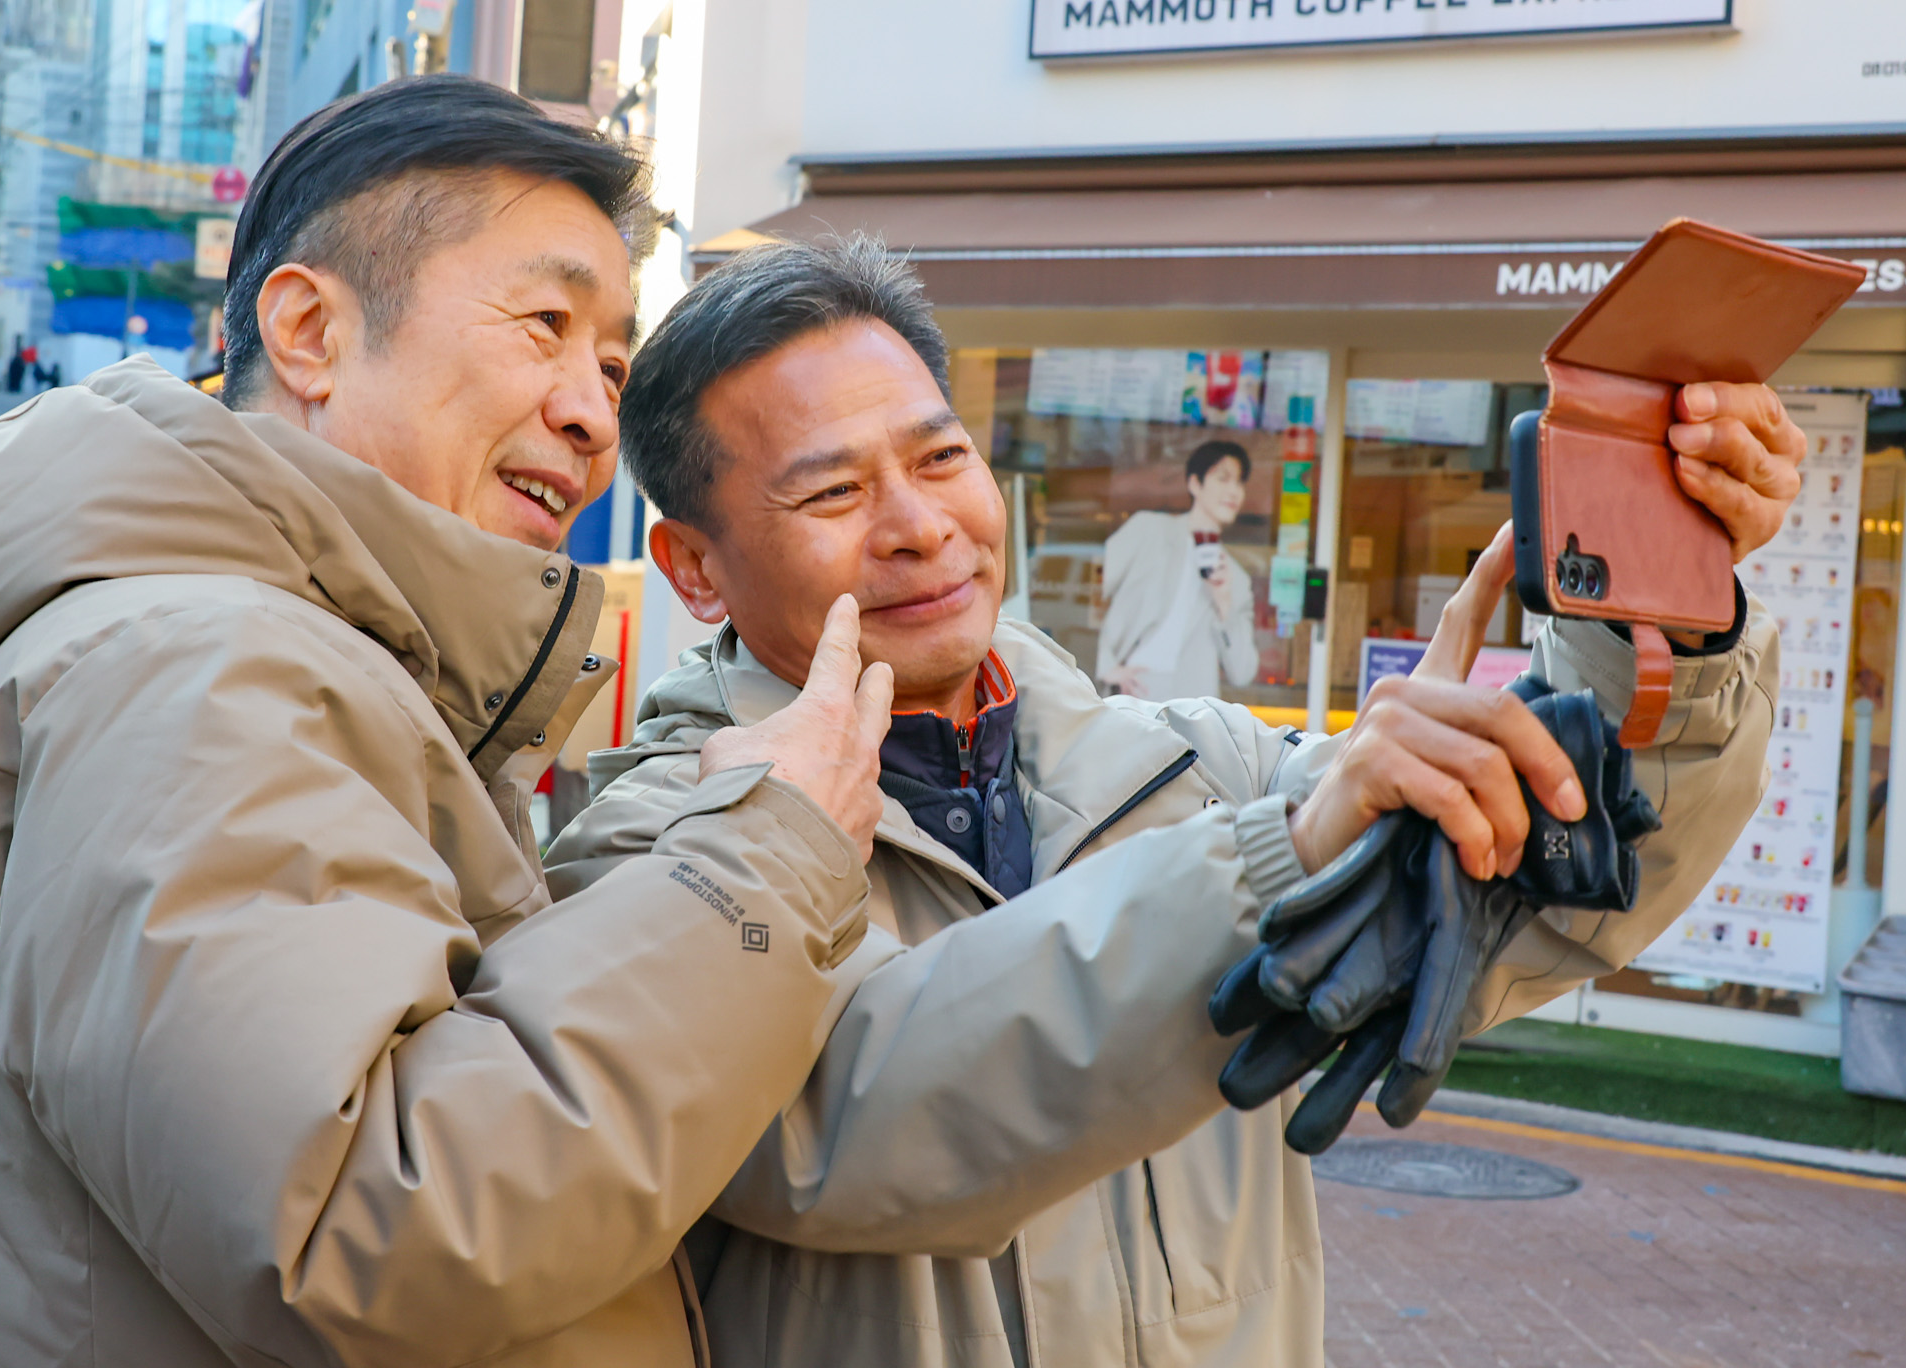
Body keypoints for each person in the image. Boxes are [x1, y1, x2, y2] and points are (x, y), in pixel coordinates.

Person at [548, 236, 1794, 1368]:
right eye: (833, 494)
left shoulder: (1204, 766)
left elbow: (1572, 891)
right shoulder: (653, 841)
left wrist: (1666, 605)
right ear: (697, 568)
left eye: (941, 458)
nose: (923, 527)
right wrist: (1276, 865)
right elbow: (863, 1114)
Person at [0, 75, 920, 1368]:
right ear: (308, 332)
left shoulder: (291, 656)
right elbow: (367, 1226)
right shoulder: (197, 669)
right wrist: (771, 853)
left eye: (610, 359)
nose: (595, 414)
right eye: (544, 323)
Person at [1096, 438, 1260, 700]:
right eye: (1223, 478)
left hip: (1190, 711)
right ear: (1195, 483)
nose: (1234, 491)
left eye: (1239, 482)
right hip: (1129, 697)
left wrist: (1224, 605)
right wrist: (1105, 666)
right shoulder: (1149, 530)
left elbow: (1242, 673)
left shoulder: (1236, 578)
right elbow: (1093, 595)